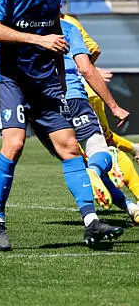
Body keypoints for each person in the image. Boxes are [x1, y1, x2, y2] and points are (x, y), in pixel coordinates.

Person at [0, 0, 123, 251]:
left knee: (70, 148)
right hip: (11, 79)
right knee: (15, 145)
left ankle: (91, 222)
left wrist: (58, 75)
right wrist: (37, 40)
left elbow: (54, 29)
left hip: (46, 83)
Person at [57, 17, 138, 223]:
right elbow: (94, 50)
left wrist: (85, 70)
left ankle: (128, 206)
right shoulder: (70, 23)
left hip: (59, 96)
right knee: (101, 148)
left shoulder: (28, 21)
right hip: (84, 91)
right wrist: (88, 69)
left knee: (89, 155)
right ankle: (131, 205)